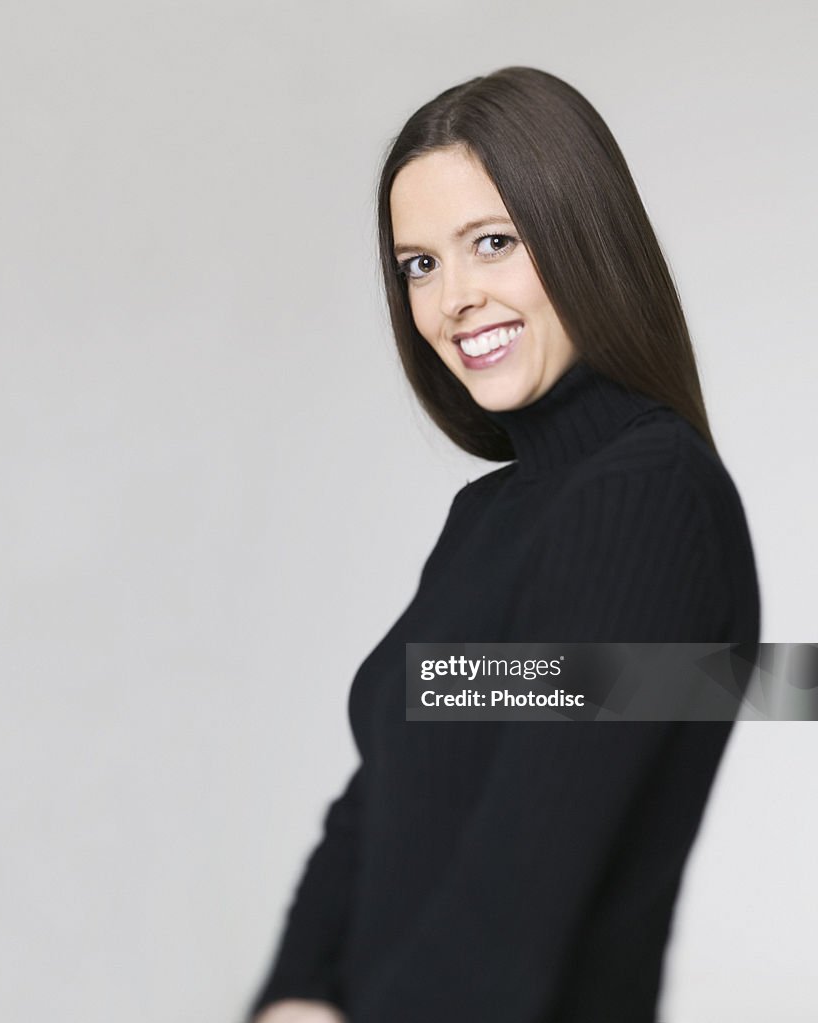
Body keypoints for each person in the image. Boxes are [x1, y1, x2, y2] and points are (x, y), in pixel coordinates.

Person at [245, 66, 760, 1023]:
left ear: (581, 236)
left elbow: (525, 881)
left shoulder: (647, 502)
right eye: (420, 264)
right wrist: (295, 991)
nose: (454, 300)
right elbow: (378, 802)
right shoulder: (491, 517)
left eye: (494, 243)